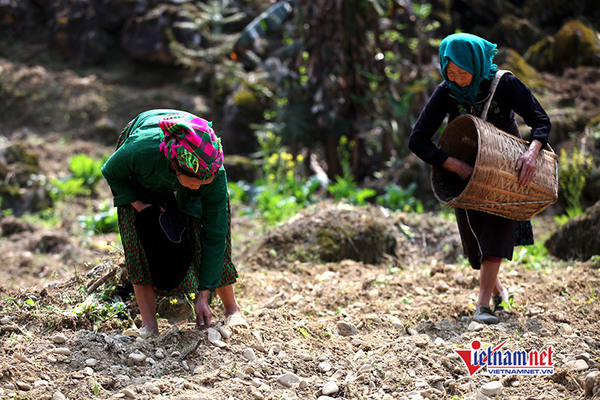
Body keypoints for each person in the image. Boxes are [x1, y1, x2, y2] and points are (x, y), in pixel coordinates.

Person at [408, 33, 551, 324]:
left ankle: (482, 306)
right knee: (475, 240)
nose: (457, 79)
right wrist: (453, 165)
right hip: (467, 173)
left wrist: (532, 152)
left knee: (497, 230)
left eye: (462, 72)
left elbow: (541, 120)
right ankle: (498, 290)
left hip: (507, 171)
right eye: (450, 73)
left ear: (475, 63)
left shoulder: (504, 84)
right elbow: (418, 139)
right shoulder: (446, 92)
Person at [102, 109, 247, 337]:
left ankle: (232, 309)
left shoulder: (212, 169)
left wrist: (203, 296)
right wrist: (142, 208)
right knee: (139, 239)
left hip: (188, 163)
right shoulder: (141, 151)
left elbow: (215, 234)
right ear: (177, 166)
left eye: (204, 183)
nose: (199, 187)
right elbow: (111, 171)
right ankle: (149, 326)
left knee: (202, 231)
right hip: (141, 174)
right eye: (194, 183)